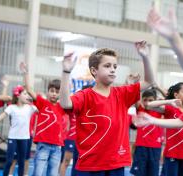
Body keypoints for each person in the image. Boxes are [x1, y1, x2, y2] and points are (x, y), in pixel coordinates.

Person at [59, 41, 155, 175]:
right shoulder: (85, 95)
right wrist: (66, 72)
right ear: (94, 70)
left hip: (116, 163)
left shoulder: (122, 94)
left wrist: (145, 57)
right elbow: (65, 103)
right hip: (90, 165)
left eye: (115, 66)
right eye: (107, 66)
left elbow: (149, 81)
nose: (112, 69)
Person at [20, 63, 68, 176]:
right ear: (47, 91)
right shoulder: (42, 103)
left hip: (57, 147)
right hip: (43, 146)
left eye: (57, 92)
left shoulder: (62, 107)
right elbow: (29, 89)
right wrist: (25, 73)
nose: (54, 94)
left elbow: (68, 98)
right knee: (38, 173)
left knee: (52, 174)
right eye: (52, 91)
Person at [145, 82, 183, 176]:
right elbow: (149, 105)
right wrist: (168, 101)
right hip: (172, 154)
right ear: (176, 95)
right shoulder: (171, 109)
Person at [0, 85, 37, 176]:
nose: (27, 96)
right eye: (25, 94)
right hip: (13, 138)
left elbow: (43, 109)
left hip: (24, 138)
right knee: (9, 161)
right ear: (18, 95)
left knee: (21, 162)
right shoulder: (11, 107)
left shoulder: (30, 107)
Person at [130, 89, 163, 176]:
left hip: (155, 148)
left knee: (153, 173)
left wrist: (158, 87)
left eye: (150, 100)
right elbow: (133, 97)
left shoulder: (159, 110)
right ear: (141, 100)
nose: (147, 102)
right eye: (145, 100)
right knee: (139, 173)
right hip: (141, 148)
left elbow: (169, 99)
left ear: (155, 101)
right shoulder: (140, 109)